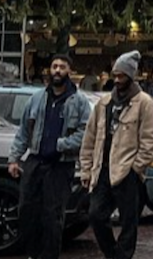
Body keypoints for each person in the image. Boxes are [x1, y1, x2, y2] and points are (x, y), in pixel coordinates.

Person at [80, 50, 153, 259]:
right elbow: (90, 138)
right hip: (102, 170)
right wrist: (86, 169)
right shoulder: (104, 103)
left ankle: (122, 256)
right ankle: (112, 254)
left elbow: (151, 140)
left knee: (129, 222)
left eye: (121, 76)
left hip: (127, 172)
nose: (117, 80)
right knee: (96, 215)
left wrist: (136, 167)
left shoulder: (143, 103)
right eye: (115, 75)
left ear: (131, 76)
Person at [8, 53, 91, 259]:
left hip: (60, 166)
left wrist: (61, 144)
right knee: (27, 211)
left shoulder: (79, 102)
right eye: (54, 66)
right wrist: (14, 158)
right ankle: (33, 254)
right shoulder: (37, 99)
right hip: (35, 162)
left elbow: (86, 133)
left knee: (52, 217)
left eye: (62, 67)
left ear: (69, 71)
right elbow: (24, 131)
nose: (57, 70)